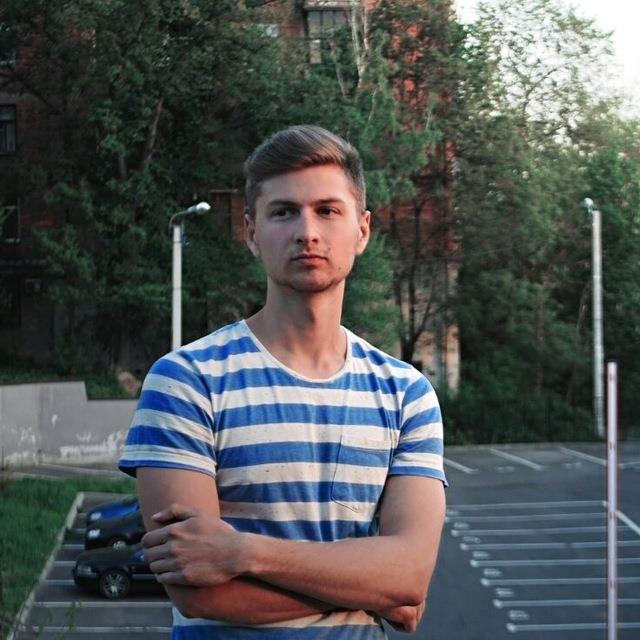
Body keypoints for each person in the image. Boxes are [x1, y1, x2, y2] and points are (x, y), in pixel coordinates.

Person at [118, 125, 447, 639]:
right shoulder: (187, 381)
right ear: (251, 233)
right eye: (284, 212)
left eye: (327, 210)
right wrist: (371, 589)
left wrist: (243, 552)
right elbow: (199, 592)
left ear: (362, 230)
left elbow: (409, 576)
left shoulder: (406, 394)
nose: (307, 232)